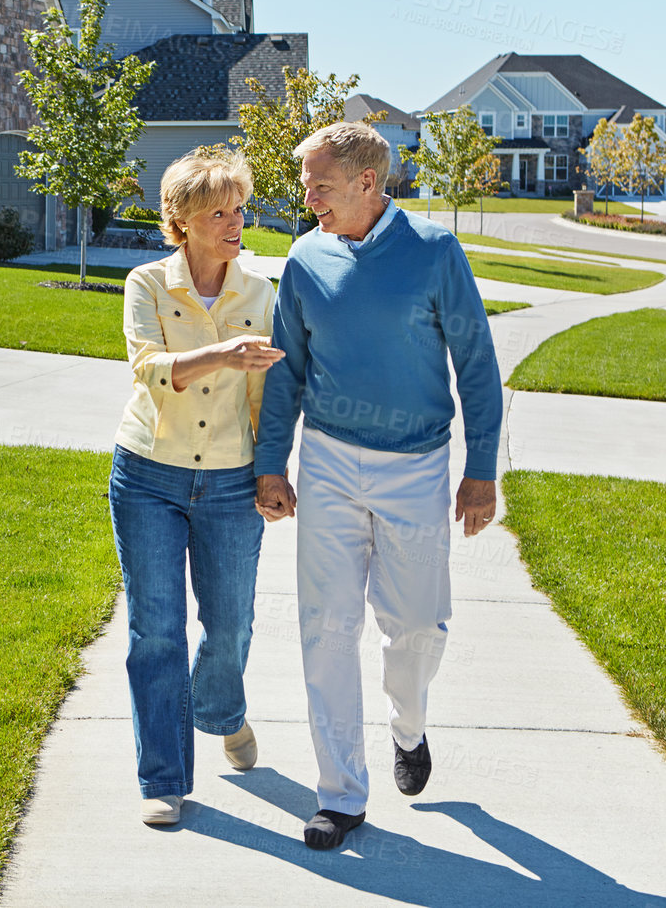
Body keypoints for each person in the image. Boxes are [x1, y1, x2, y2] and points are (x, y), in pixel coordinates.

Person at [253, 121, 502, 852]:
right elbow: (287, 370)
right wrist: (274, 463)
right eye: (306, 186)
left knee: (417, 627)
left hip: (418, 467)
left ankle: (409, 724)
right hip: (328, 461)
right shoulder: (304, 258)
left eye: (319, 186)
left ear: (368, 183)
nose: (307, 199)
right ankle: (340, 795)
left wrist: (480, 470)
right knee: (326, 628)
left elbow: (477, 364)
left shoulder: (433, 253)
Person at [109, 148, 286, 826]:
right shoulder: (147, 283)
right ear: (181, 221)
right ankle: (164, 779)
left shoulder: (259, 292)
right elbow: (151, 370)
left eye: (239, 208)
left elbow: (268, 392)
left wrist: (272, 473)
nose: (235, 222)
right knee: (156, 630)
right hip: (149, 473)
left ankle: (220, 709)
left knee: (231, 624)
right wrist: (222, 354)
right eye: (219, 211)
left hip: (231, 480)